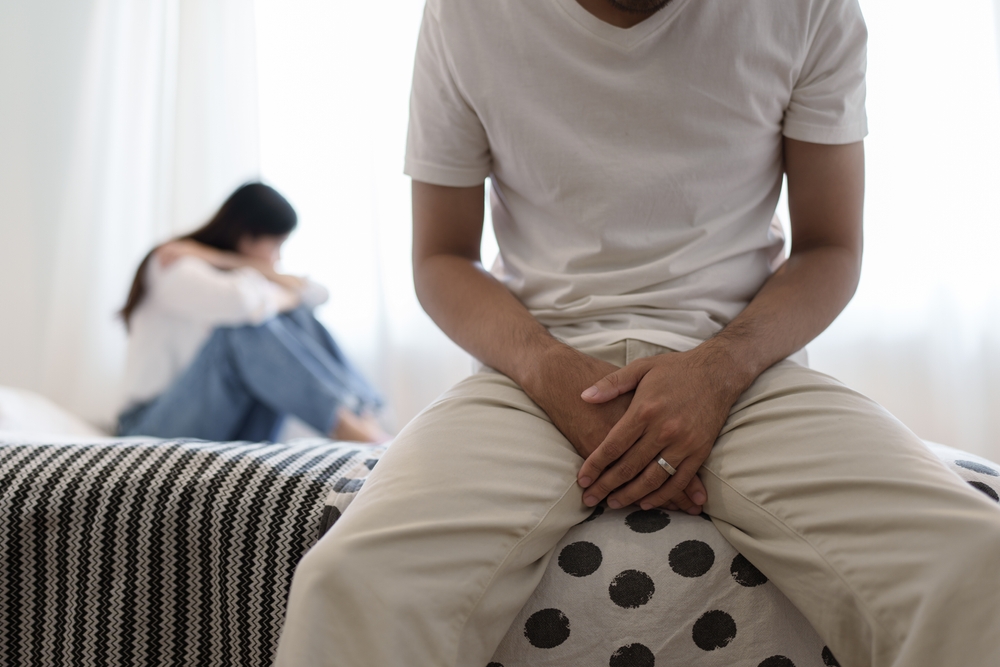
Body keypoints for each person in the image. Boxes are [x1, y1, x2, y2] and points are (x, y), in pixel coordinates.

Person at [274, 1, 1000, 665]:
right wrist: (548, 370)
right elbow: (440, 257)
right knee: (349, 585)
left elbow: (830, 246)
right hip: (532, 375)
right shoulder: (465, 13)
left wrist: (718, 370)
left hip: (745, 372)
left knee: (977, 563)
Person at [117, 182, 386, 444]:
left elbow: (318, 294)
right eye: (275, 247)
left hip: (216, 424)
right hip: (147, 429)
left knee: (294, 313)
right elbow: (244, 304)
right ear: (247, 238)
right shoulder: (172, 265)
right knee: (243, 329)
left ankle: (362, 416)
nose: (277, 259)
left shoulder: (233, 272)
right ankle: (355, 430)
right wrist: (272, 284)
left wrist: (229, 260)